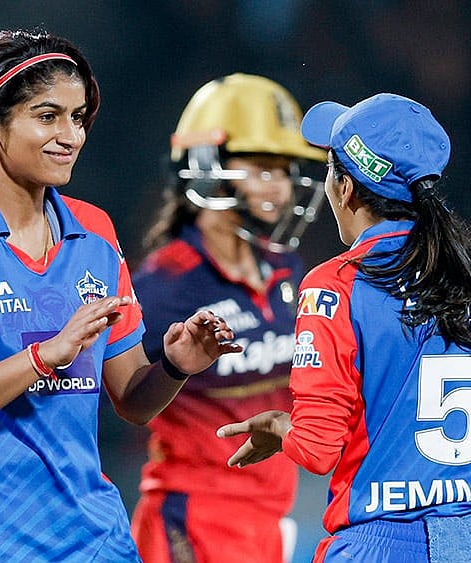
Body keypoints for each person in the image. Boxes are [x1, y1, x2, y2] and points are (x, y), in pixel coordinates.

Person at [0, 29, 241, 563]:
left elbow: (132, 399)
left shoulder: (95, 235)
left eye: (78, 117)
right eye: (47, 116)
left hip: (97, 541)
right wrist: (45, 356)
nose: (70, 134)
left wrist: (176, 365)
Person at [217, 93, 471, 563]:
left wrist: (280, 427)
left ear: (345, 188)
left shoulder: (335, 285)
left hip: (380, 545)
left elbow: (317, 448)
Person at [128, 74, 326, 563]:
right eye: (260, 167)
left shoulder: (285, 268)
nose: (279, 187)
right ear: (205, 168)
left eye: (283, 170)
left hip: (269, 520)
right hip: (191, 519)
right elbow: (125, 400)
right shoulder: (164, 285)